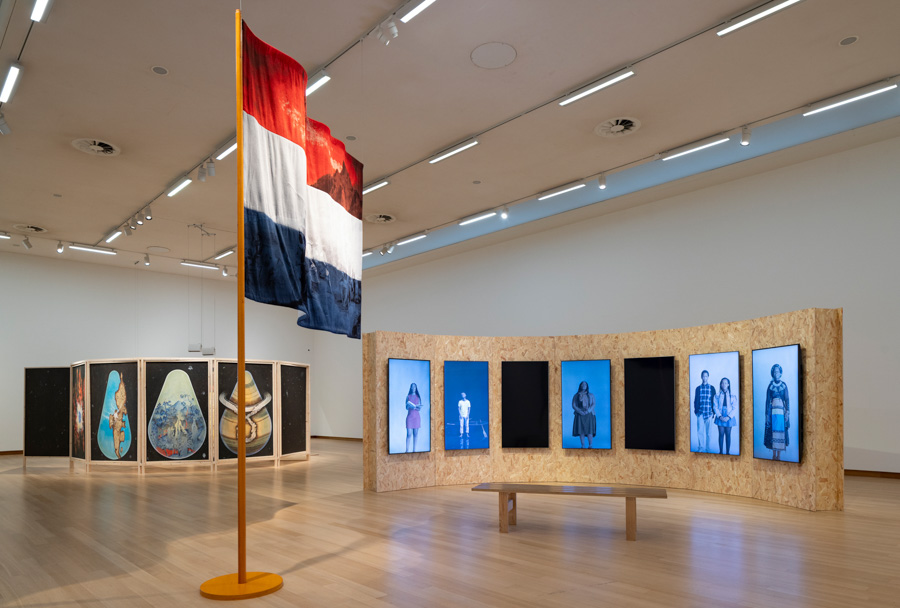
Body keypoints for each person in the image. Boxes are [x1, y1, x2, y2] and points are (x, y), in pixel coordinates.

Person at [764, 364, 790, 461]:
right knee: (773, 431)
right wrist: (767, 415)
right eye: (774, 372)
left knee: (780, 431)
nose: (776, 373)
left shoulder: (784, 385)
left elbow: (787, 400)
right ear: (772, 373)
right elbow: (767, 401)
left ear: (780, 373)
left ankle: (779, 455)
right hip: (772, 412)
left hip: (781, 413)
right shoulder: (770, 386)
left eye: (778, 372)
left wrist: (787, 412)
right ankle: (773, 455)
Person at [713, 377, 737, 455]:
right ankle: (720, 452)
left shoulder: (732, 395)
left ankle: (727, 452)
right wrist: (720, 416)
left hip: (729, 417)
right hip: (720, 416)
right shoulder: (717, 395)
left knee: (728, 434)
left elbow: (735, 407)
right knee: (721, 434)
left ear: (728, 384)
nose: (724, 384)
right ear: (720, 384)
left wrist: (729, 417)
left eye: (726, 383)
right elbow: (715, 407)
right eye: (722, 383)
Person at [693, 370, 716, 452]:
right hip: (701, 413)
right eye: (703, 376)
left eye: (706, 376)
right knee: (700, 432)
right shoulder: (698, 388)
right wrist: (696, 411)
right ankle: (701, 448)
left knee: (709, 433)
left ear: (708, 377)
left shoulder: (712, 388)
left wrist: (713, 412)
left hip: (709, 413)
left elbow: (714, 401)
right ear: (701, 377)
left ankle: (708, 448)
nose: (704, 377)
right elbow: (695, 400)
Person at [571, 381, 596, 448]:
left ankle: (590, 445)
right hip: (580, 414)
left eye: (585, 384)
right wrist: (580, 411)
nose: (584, 385)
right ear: (580, 386)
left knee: (590, 430)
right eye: (582, 384)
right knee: (581, 430)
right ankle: (583, 445)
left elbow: (593, 404)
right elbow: (574, 405)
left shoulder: (591, 395)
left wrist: (588, 411)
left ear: (587, 386)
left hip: (589, 414)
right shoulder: (576, 395)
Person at [405, 383, 423, 453]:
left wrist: (416, 407)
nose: (413, 388)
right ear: (410, 388)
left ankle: (414, 450)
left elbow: (419, 408)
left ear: (416, 388)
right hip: (410, 417)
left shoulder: (418, 397)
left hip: (416, 417)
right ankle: (407, 450)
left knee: (415, 434)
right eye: (412, 387)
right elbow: (406, 408)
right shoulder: (408, 396)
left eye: (414, 387)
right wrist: (409, 405)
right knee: (409, 434)